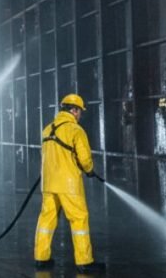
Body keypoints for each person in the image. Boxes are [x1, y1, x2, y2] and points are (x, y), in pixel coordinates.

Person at [34, 93, 105, 274]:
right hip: (69, 184)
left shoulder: (47, 129)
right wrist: (89, 170)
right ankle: (84, 261)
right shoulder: (75, 130)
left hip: (48, 183)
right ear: (74, 110)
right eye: (80, 111)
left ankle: (41, 258)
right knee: (79, 220)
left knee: (46, 219)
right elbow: (85, 158)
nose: (80, 115)